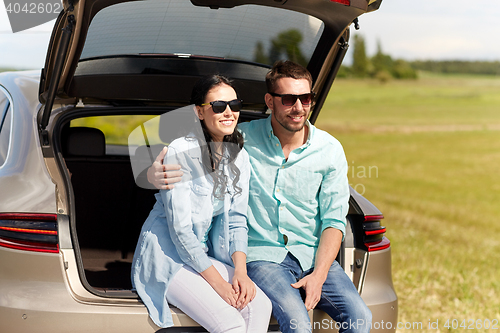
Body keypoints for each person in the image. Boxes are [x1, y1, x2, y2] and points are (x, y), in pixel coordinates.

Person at [148, 61, 372, 333]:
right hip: (262, 256)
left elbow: (333, 221)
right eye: (289, 99)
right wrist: (152, 175)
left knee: (361, 319)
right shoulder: (241, 139)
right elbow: (196, 143)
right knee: (298, 323)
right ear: (270, 101)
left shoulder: (330, 150)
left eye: (306, 98)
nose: (299, 107)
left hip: (311, 255)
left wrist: (319, 274)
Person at [131, 75, 272, 332]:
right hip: (168, 256)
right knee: (230, 324)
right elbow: (180, 231)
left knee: (260, 305)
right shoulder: (180, 152)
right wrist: (219, 285)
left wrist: (240, 271)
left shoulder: (240, 158)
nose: (229, 112)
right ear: (199, 112)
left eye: (235, 105)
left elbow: (238, 221)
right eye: (218, 106)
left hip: (201, 257)